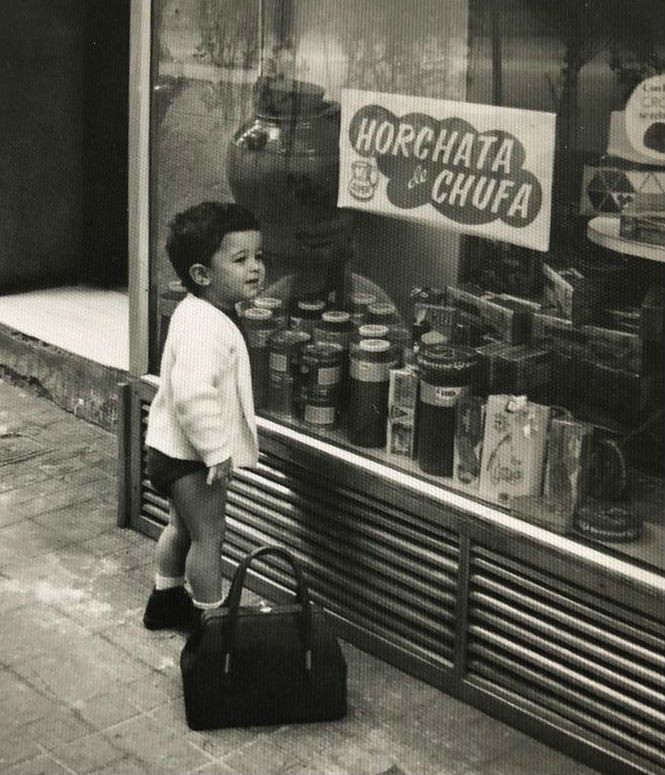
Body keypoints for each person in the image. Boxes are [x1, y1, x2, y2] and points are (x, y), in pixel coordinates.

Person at [143, 201, 265, 629]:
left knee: (181, 528)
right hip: (192, 460)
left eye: (258, 256)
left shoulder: (198, 311)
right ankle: (212, 623)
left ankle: (165, 599)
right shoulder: (206, 326)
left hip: (168, 451)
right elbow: (193, 397)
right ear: (201, 274)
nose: (256, 267)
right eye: (241, 259)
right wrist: (217, 452)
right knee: (208, 536)